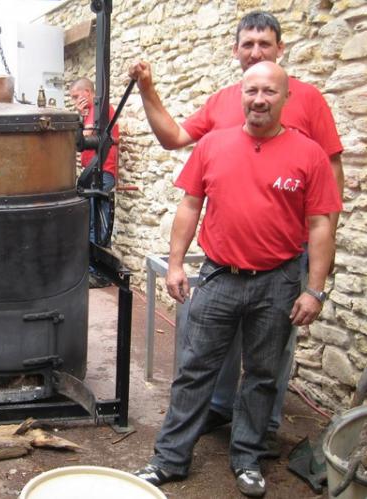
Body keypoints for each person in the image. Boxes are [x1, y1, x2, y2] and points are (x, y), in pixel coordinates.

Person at [128, 10, 343, 452]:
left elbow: (329, 175)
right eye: (248, 44)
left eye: (265, 44)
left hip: (287, 252)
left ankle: (259, 433)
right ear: (236, 51)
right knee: (209, 346)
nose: (255, 52)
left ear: (280, 49)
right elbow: (174, 138)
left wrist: (318, 255)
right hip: (225, 260)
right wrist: (148, 91)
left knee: (270, 354)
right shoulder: (225, 100)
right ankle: (219, 410)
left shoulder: (309, 99)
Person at [68, 77, 120, 287]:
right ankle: (92, 270)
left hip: (103, 173)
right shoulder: (91, 112)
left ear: (87, 93)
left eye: (75, 96)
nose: (73, 101)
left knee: (96, 224)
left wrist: (79, 118)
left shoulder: (102, 110)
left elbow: (84, 139)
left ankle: (98, 274)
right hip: (92, 173)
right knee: (89, 222)